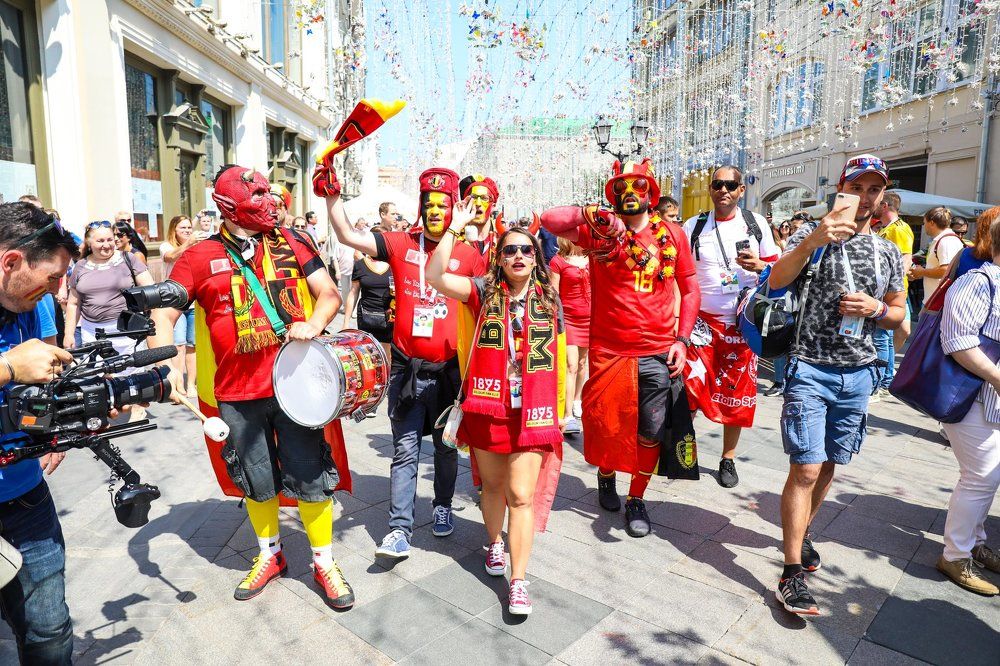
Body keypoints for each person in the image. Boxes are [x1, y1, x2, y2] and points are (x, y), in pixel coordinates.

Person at [150, 164, 355, 609]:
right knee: (255, 479)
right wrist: (166, 367)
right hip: (236, 392)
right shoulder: (198, 256)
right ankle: (270, 556)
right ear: (228, 208)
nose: (270, 203)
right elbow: (164, 313)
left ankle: (324, 562)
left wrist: (314, 323)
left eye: (268, 194)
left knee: (310, 474)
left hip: (294, 386)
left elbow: (329, 294)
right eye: (257, 198)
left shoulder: (293, 241)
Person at [317, 158, 486, 558]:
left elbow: (484, 306)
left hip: (449, 372)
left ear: (453, 210)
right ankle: (399, 529)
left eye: (443, 205)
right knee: (406, 448)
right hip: (406, 370)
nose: (435, 211)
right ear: (420, 206)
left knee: (445, 448)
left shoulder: (469, 253)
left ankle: (442, 507)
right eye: (429, 203)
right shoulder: (399, 243)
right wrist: (332, 196)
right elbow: (345, 233)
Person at [768, 154, 905, 616]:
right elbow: (775, 280)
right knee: (805, 468)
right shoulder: (820, 238)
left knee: (828, 465)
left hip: (859, 371)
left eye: (873, 189)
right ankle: (791, 574)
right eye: (857, 187)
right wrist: (810, 242)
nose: (865, 198)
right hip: (810, 366)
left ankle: (802, 533)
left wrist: (876, 310)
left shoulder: (888, 251)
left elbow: (898, 312)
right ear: (841, 188)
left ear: (882, 195)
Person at [541, 158, 701, 538]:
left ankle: (636, 498)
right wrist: (590, 212)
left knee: (651, 428)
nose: (630, 194)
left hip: (658, 349)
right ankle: (607, 472)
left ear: (651, 193)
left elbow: (691, 288)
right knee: (605, 425)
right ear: (611, 196)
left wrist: (682, 338)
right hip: (608, 350)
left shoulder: (673, 234)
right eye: (620, 189)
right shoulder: (600, 233)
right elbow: (548, 220)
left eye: (638, 187)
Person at [427, 201, 565, 616]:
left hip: (534, 411)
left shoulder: (549, 298)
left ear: (536, 256)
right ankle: (493, 543)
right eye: (510, 250)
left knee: (521, 495)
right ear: (499, 258)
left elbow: (562, 355)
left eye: (526, 250)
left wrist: (563, 404)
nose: (518, 256)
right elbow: (433, 277)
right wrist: (453, 228)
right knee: (492, 488)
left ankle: (519, 581)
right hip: (489, 406)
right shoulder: (482, 292)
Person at [0, 202, 82, 664]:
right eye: (51, 277)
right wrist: (11, 367)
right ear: (12, 261)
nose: (58, 289)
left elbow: (44, 379)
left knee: (49, 632)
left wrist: (55, 429)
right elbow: (20, 369)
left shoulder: (29, 304)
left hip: (26, 496)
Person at [683, 165, 780, 488]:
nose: (723, 190)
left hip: (743, 325)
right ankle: (686, 450)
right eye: (717, 184)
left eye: (730, 185)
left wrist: (762, 266)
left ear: (741, 190)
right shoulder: (693, 226)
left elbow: (779, 269)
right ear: (710, 190)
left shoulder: (756, 224)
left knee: (736, 395)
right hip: (701, 326)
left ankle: (728, 458)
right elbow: (678, 272)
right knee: (690, 390)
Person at [936, 220, 1000, 596]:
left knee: (990, 476)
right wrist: (996, 377)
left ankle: (974, 542)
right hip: (973, 397)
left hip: (990, 398)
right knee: (981, 477)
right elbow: (957, 340)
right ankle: (955, 555)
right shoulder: (979, 280)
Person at [63, 221, 154, 356]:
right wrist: (69, 334)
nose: (106, 245)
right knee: (97, 375)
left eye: (110, 239)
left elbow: (150, 289)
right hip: (91, 333)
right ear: (89, 242)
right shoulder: (80, 266)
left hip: (125, 331)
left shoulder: (128, 258)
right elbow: (73, 304)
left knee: (126, 375)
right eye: (100, 241)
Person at [871, 191, 914, 401]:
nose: (875, 206)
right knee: (885, 338)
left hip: (889, 292)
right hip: (886, 291)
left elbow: (905, 260)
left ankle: (878, 384)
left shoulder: (899, 228)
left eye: (879, 203)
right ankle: (885, 381)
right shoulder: (887, 229)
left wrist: (891, 286)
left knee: (881, 338)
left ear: (885, 205)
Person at [550, 236, 591, 433]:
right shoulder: (558, 261)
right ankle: (567, 416)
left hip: (590, 318)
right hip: (569, 319)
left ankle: (577, 400)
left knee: (583, 364)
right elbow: (554, 293)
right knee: (571, 365)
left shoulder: (592, 257)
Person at [159, 215, 202, 396]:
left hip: (194, 302)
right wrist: (189, 244)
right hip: (174, 303)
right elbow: (170, 257)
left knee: (193, 345)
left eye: (188, 228)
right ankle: (178, 384)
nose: (187, 231)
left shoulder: (197, 245)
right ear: (173, 230)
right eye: (182, 228)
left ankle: (191, 383)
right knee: (178, 345)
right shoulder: (165, 246)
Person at [342, 243, 393, 362]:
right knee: (368, 355)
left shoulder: (394, 264)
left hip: (390, 317)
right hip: (366, 316)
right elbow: (353, 292)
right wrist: (346, 322)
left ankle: (387, 380)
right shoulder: (360, 265)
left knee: (388, 356)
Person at [909, 206, 963, 305]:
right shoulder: (943, 239)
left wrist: (922, 272)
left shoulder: (946, 241)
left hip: (939, 304)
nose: (924, 226)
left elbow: (946, 270)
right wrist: (920, 272)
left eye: (924, 223)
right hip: (936, 301)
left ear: (932, 223)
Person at [951, 207, 1000, 280]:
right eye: (957, 232)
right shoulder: (964, 252)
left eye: (964, 232)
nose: (960, 235)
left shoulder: (964, 253)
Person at [458, 174, 500, 260]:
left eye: (484, 198)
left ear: (493, 206)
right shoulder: (453, 237)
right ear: (466, 203)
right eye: (473, 197)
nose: (478, 203)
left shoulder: (503, 239)